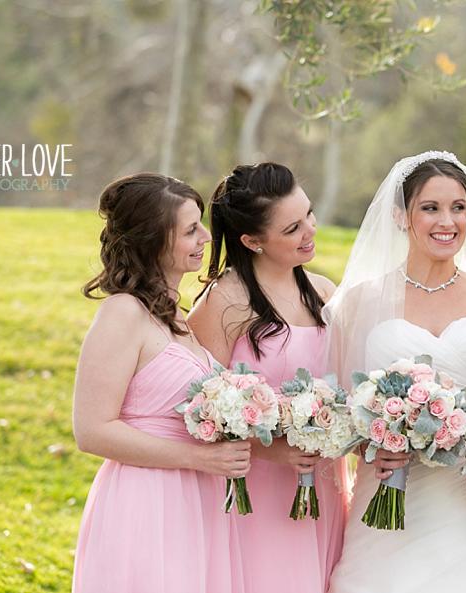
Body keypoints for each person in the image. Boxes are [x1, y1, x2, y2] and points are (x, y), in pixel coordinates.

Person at [325, 151, 466, 593]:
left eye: (458, 208)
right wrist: (373, 446)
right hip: (389, 493)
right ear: (400, 215)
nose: (447, 221)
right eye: (430, 208)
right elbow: (341, 412)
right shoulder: (360, 301)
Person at [72, 173, 249, 593]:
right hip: (147, 499)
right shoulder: (123, 312)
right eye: (190, 230)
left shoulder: (177, 317)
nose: (206, 237)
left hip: (197, 500)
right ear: (153, 240)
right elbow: (91, 430)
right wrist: (200, 459)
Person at [188, 163, 344, 593]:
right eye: (292, 228)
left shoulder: (324, 293)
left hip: (322, 482)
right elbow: (199, 409)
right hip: (255, 489)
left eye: (308, 214)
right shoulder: (224, 301)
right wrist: (271, 450)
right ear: (252, 240)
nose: (310, 231)